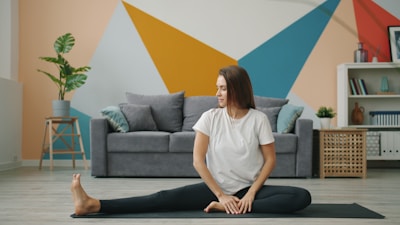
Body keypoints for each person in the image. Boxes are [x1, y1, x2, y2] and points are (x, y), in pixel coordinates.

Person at [71, 65, 312, 216]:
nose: (217, 93)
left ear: (237, 90)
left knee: (301, 197)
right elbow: (198, 161)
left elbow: (270, 160)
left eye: (223, 89)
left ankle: (233, 207)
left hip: (249, 188)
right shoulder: (210, 117)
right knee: (161, 199)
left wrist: (250, 195)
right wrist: (220, 195)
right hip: (214, 189)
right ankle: (93, 205)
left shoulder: (258, 119)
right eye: (217, 88)